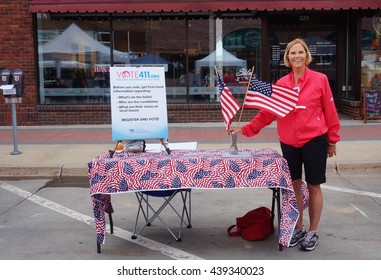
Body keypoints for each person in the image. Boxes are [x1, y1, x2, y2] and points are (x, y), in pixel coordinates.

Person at [229, 38, 340, 251]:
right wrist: (246, 129)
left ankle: (313, 230)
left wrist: (332, 139)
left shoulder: (320, 80)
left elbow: (330, 110)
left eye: (300, 52)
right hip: (289, 143)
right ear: (287, 58)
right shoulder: (281, 84)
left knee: (314, 186)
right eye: (292, 53)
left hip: (315, 140)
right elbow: (267, 114)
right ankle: (298, 227)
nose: (297, 56)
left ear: (307, 56)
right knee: (294, 186)